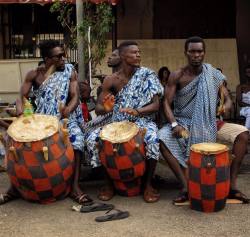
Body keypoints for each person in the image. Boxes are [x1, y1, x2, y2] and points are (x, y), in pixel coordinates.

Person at [0, 40, 92, 205]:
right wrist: (20, 109)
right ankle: (14, 188)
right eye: (59, 57)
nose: (63, 59)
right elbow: (21, 96)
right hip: (41, 121)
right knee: (12, 140)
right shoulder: (34, 74)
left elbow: (75, 96)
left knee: (77, 140)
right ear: (47, 58)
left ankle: (74, 187)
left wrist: (69, 108)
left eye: (64, 55)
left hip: (64, 120)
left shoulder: (70, 70)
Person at [159, 36, 249, 204]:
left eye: (199, 51)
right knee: (161, 138)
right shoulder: (177, 75)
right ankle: (185, 186)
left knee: (243, 134)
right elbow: (165, 102)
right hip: (184, 122)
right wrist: (174, 124)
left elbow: (227, 97)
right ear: (186, 53)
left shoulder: (212, 73)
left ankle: (231, 186)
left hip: (210, 121)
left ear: (204, 53)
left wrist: (227, 105)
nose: (196, 55)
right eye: (192, 51)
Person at [86, 41, 163, 203]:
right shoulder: (111, 80)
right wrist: (106, 108)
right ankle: (108, 184)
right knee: (93, 139)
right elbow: (99, 108)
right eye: (134, 52)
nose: (138, 55)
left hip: (142, 120)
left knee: (153, 139)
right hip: (118, 123)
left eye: (139, 52)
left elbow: (156, 105)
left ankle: (147, 185)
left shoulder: (148, 75)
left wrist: (137, 111)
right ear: (122, 56)